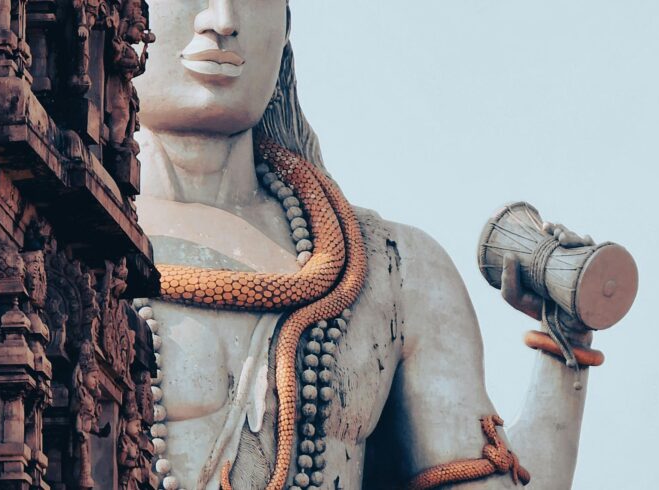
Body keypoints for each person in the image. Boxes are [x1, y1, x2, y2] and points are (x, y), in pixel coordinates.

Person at [132, 1, 600, 488]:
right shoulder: (57, 247)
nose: (222, 20)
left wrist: (563, 349)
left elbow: (481, 478)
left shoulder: (391, 268)